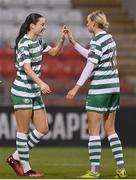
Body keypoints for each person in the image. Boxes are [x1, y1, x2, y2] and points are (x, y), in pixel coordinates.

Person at [66, 10, 127, 179]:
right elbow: (93, 56)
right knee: (111, 130)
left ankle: (95, 171)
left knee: (93, 131)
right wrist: (74, 43)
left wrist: (76, 87)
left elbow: (90, 65)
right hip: (114, 87)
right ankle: (121, 169)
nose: (86, 24)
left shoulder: (97, 40)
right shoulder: (108, 38)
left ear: (94, 23)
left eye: (87, 22)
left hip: (100, 88)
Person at [6, 13, 67, 177]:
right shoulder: (24, 43)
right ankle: (26, 170)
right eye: (42, 24)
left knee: (43, 129)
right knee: (23, 131)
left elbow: (54, 53)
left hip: (34, 91)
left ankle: (15, 157)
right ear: (32, 26)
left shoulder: (38, 41)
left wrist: (62, 40)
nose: (44, 27)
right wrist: (41, 83)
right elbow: (26, 67)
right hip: (22, 90)